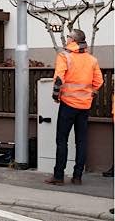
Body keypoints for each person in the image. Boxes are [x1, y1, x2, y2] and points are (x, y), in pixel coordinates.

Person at [44, 29, 103, 186]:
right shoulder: (92, 60)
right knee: (81, 141)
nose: (66, 39)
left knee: (62, 140)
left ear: (74, 40)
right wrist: (91, 93)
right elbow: (99, 81)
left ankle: (58, 175)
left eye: (69, 36)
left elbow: (59, 78)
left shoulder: (64, 56)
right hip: (84, 106)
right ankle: (77, 177)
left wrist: (56, 95)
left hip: (68, 104)